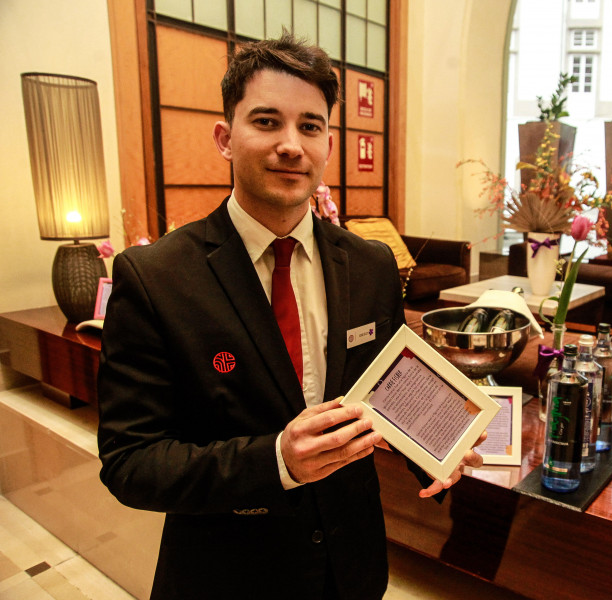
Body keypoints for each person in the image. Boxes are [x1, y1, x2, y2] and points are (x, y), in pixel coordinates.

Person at [97, 34, 483, 599]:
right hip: (227, 576)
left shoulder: (370, 265)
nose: (290, 145)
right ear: (226, 139)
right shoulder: (156, 277)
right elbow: (131, 461)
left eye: (309, 125)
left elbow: (388, 392)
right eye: (266, 121)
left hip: (350, 567)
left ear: (328, 141)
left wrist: (438, 449)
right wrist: (276, 460)